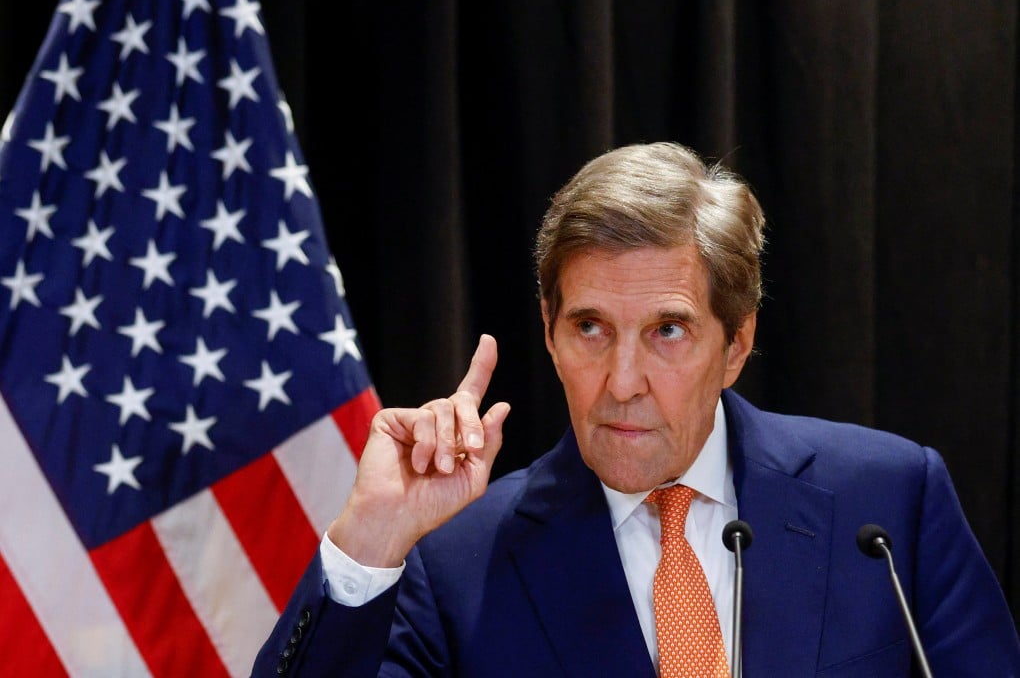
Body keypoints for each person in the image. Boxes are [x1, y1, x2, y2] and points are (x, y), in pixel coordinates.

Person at [253, 142, 1020, 677]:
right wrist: (371, 542)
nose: (622, 381)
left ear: (736, 343)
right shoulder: (456, 563)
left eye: (668, 331)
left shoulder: (887, 506)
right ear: (549, 334)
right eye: (590, 328)